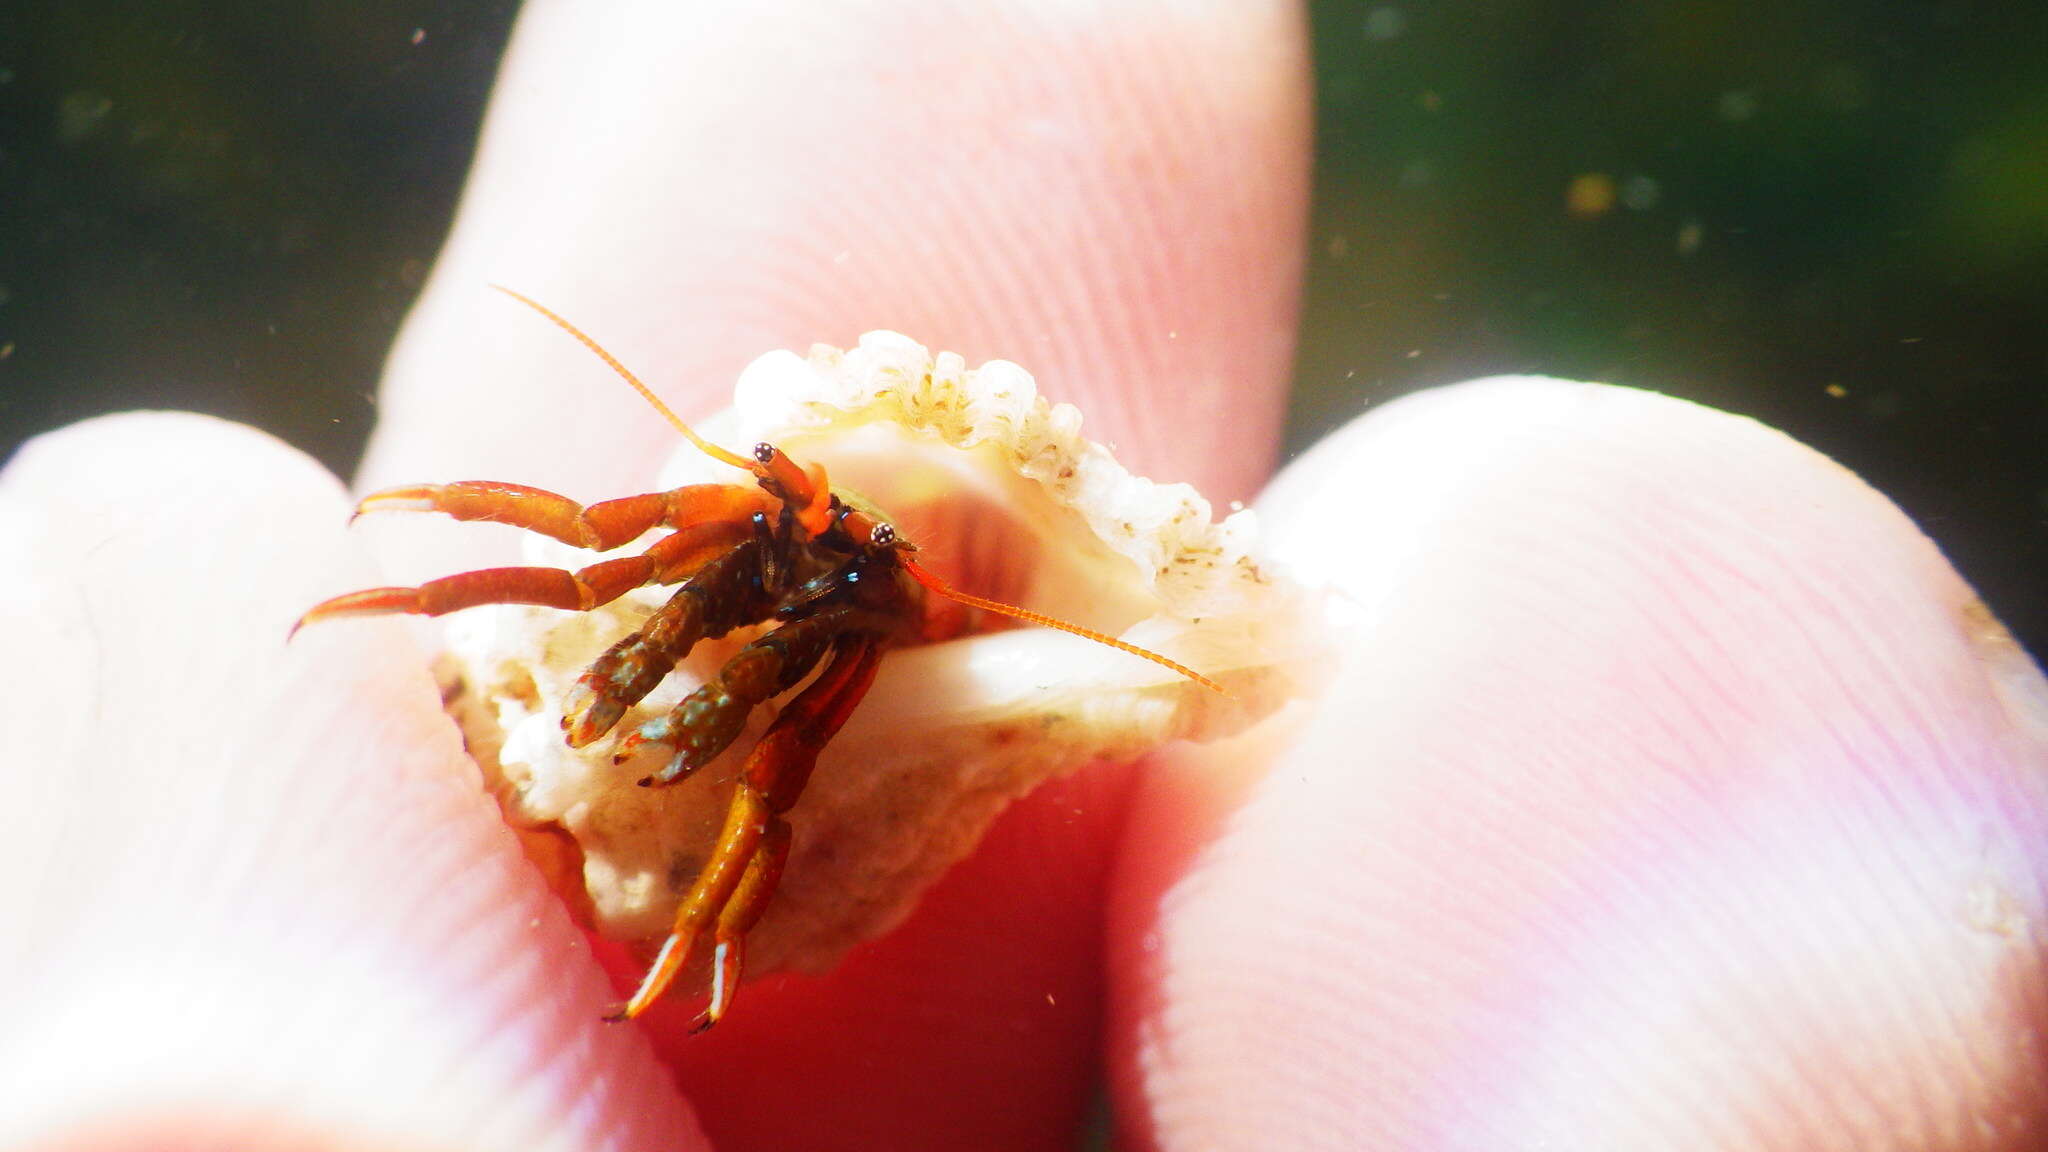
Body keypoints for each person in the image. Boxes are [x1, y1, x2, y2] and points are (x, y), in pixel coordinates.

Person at [4, 3, 2043, 1149]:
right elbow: (617, 541)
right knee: (648, 586)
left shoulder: (863, 612)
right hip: (767, 645)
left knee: (771, 744)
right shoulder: (757, 541)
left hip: (873, 666)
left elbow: (819, 718)